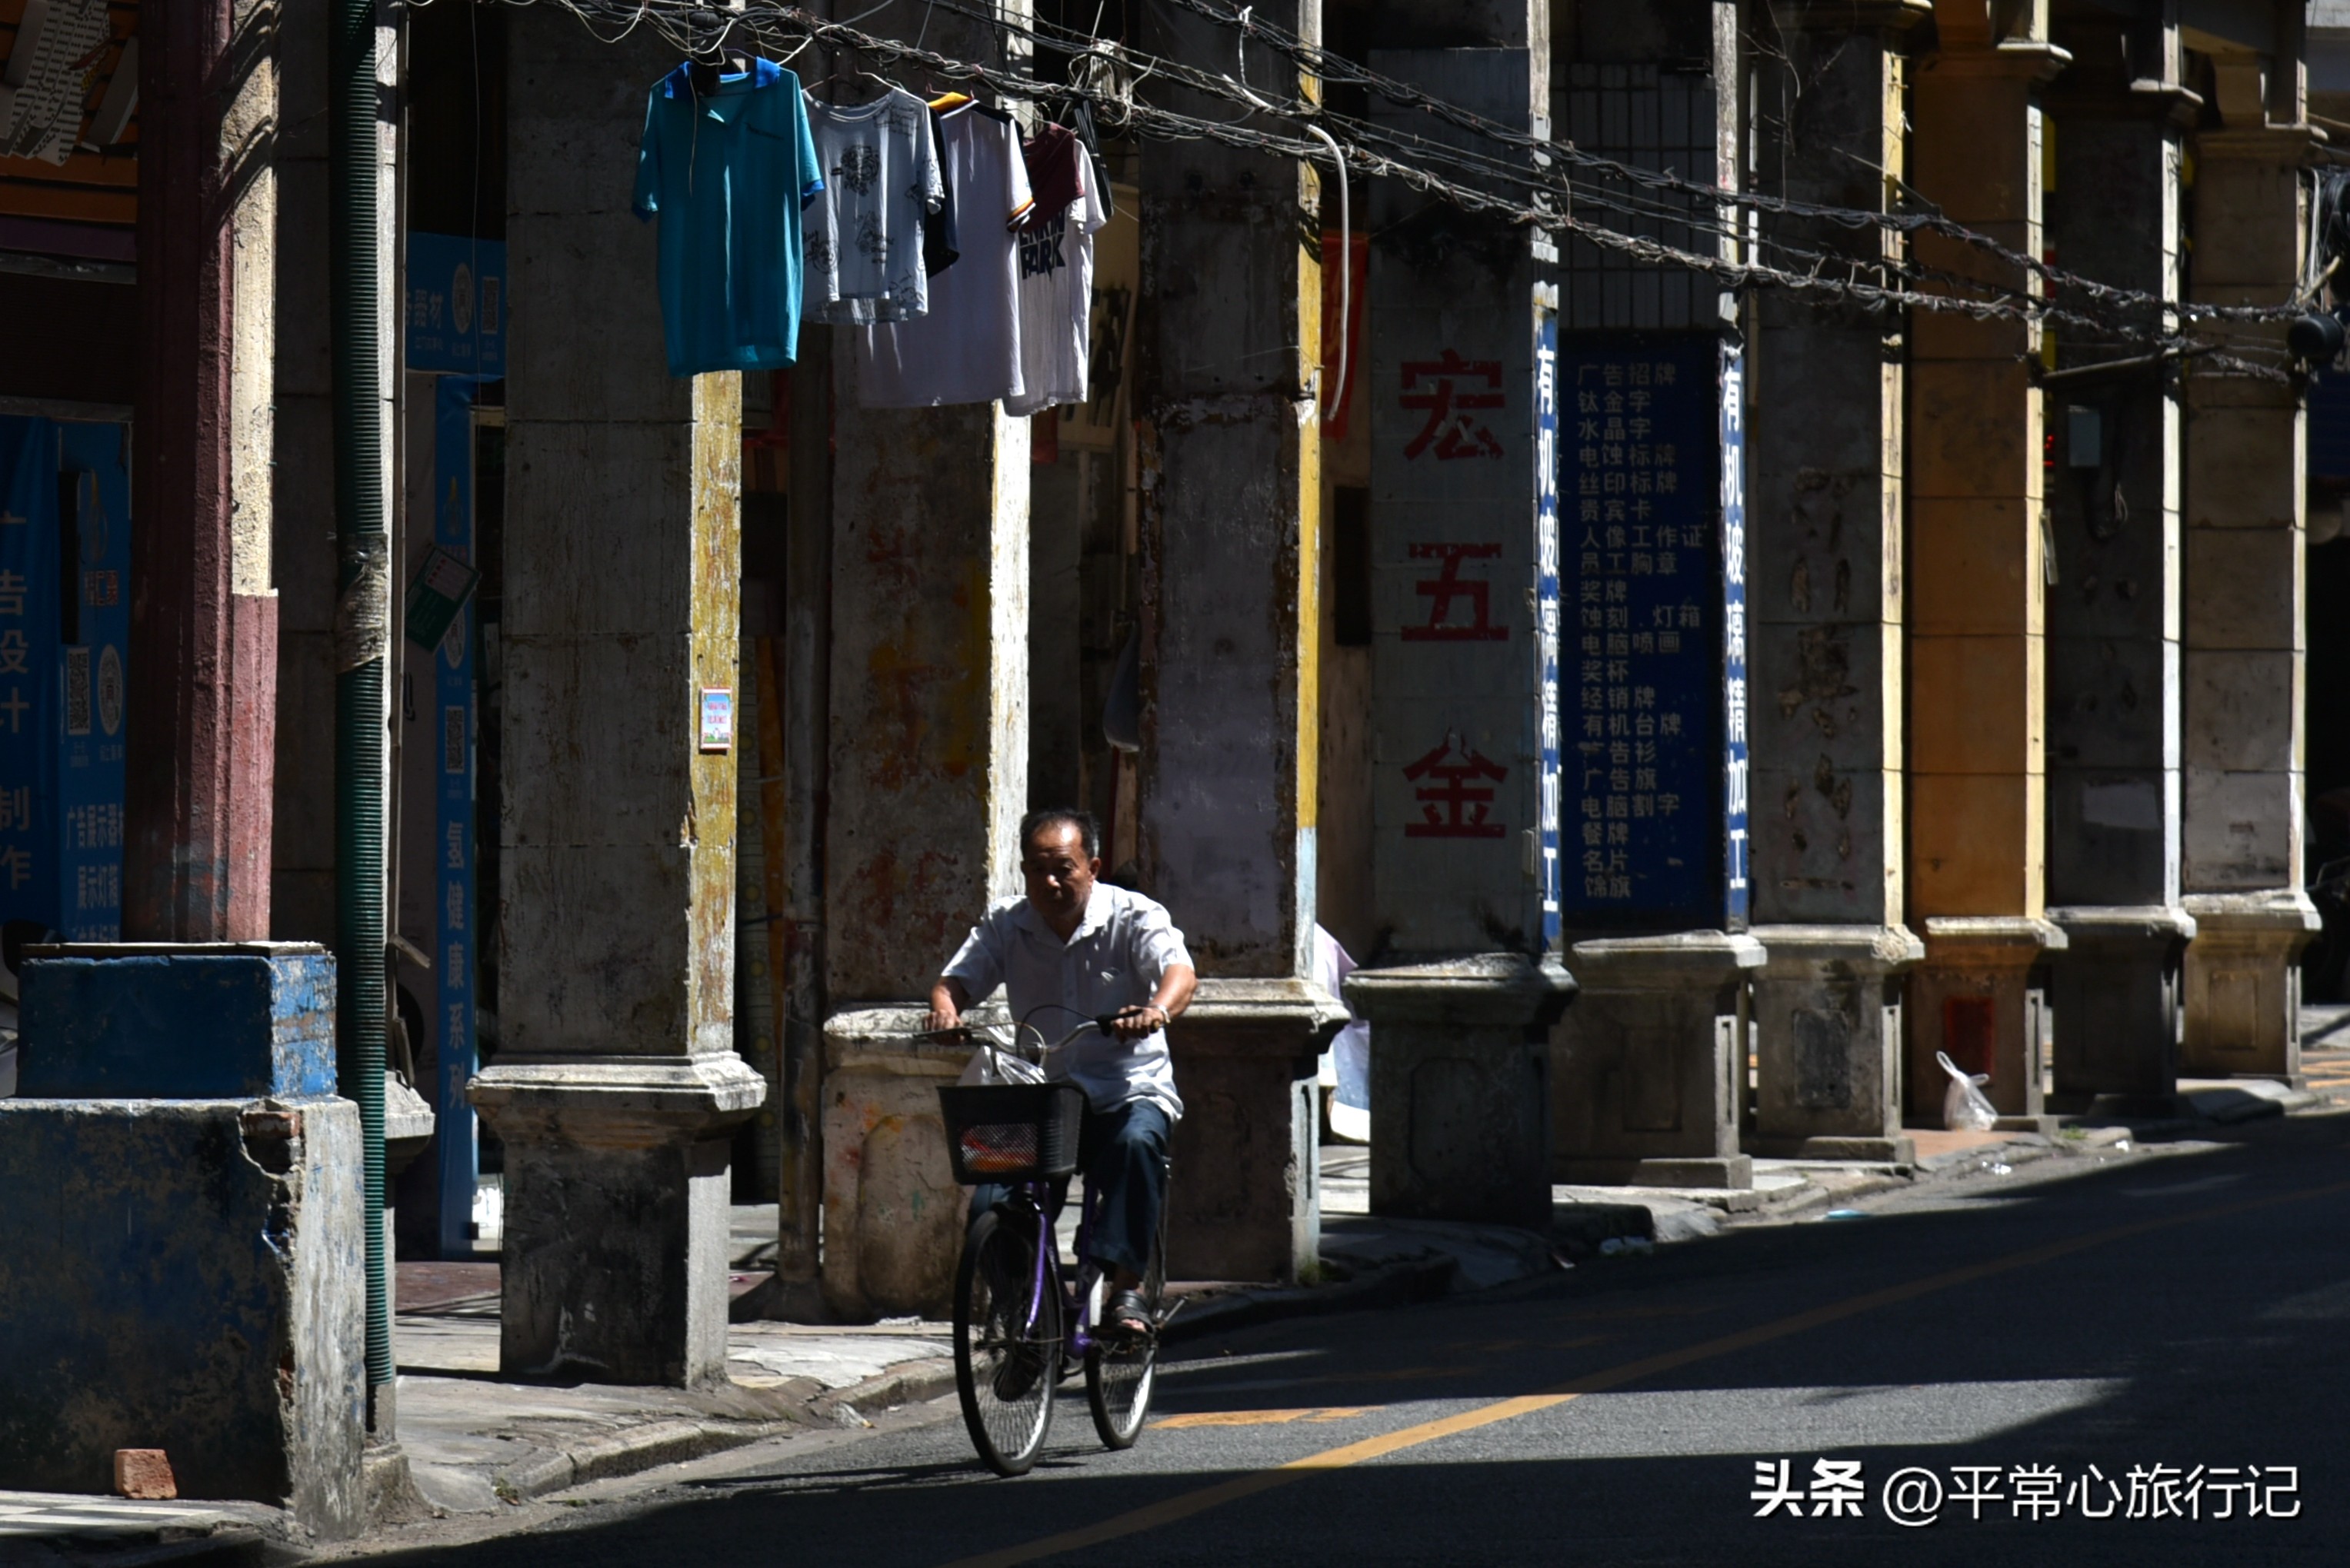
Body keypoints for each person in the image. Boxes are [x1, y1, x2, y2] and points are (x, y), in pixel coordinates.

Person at [928, 807, 1196, 1338]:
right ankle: (1017, 1319)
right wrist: (945, 1010)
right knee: (992, 1197)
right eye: (1036, 870)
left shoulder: (1134, 916)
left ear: (1092, 866)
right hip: (1042, 1094)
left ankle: (1126, 1291)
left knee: (1136, 1146)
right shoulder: (1007, 922)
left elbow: (1178, 973)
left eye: (1063, 869)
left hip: (1124, 1088)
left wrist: (1156, 1010)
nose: (1048, 882)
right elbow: (955, 980)